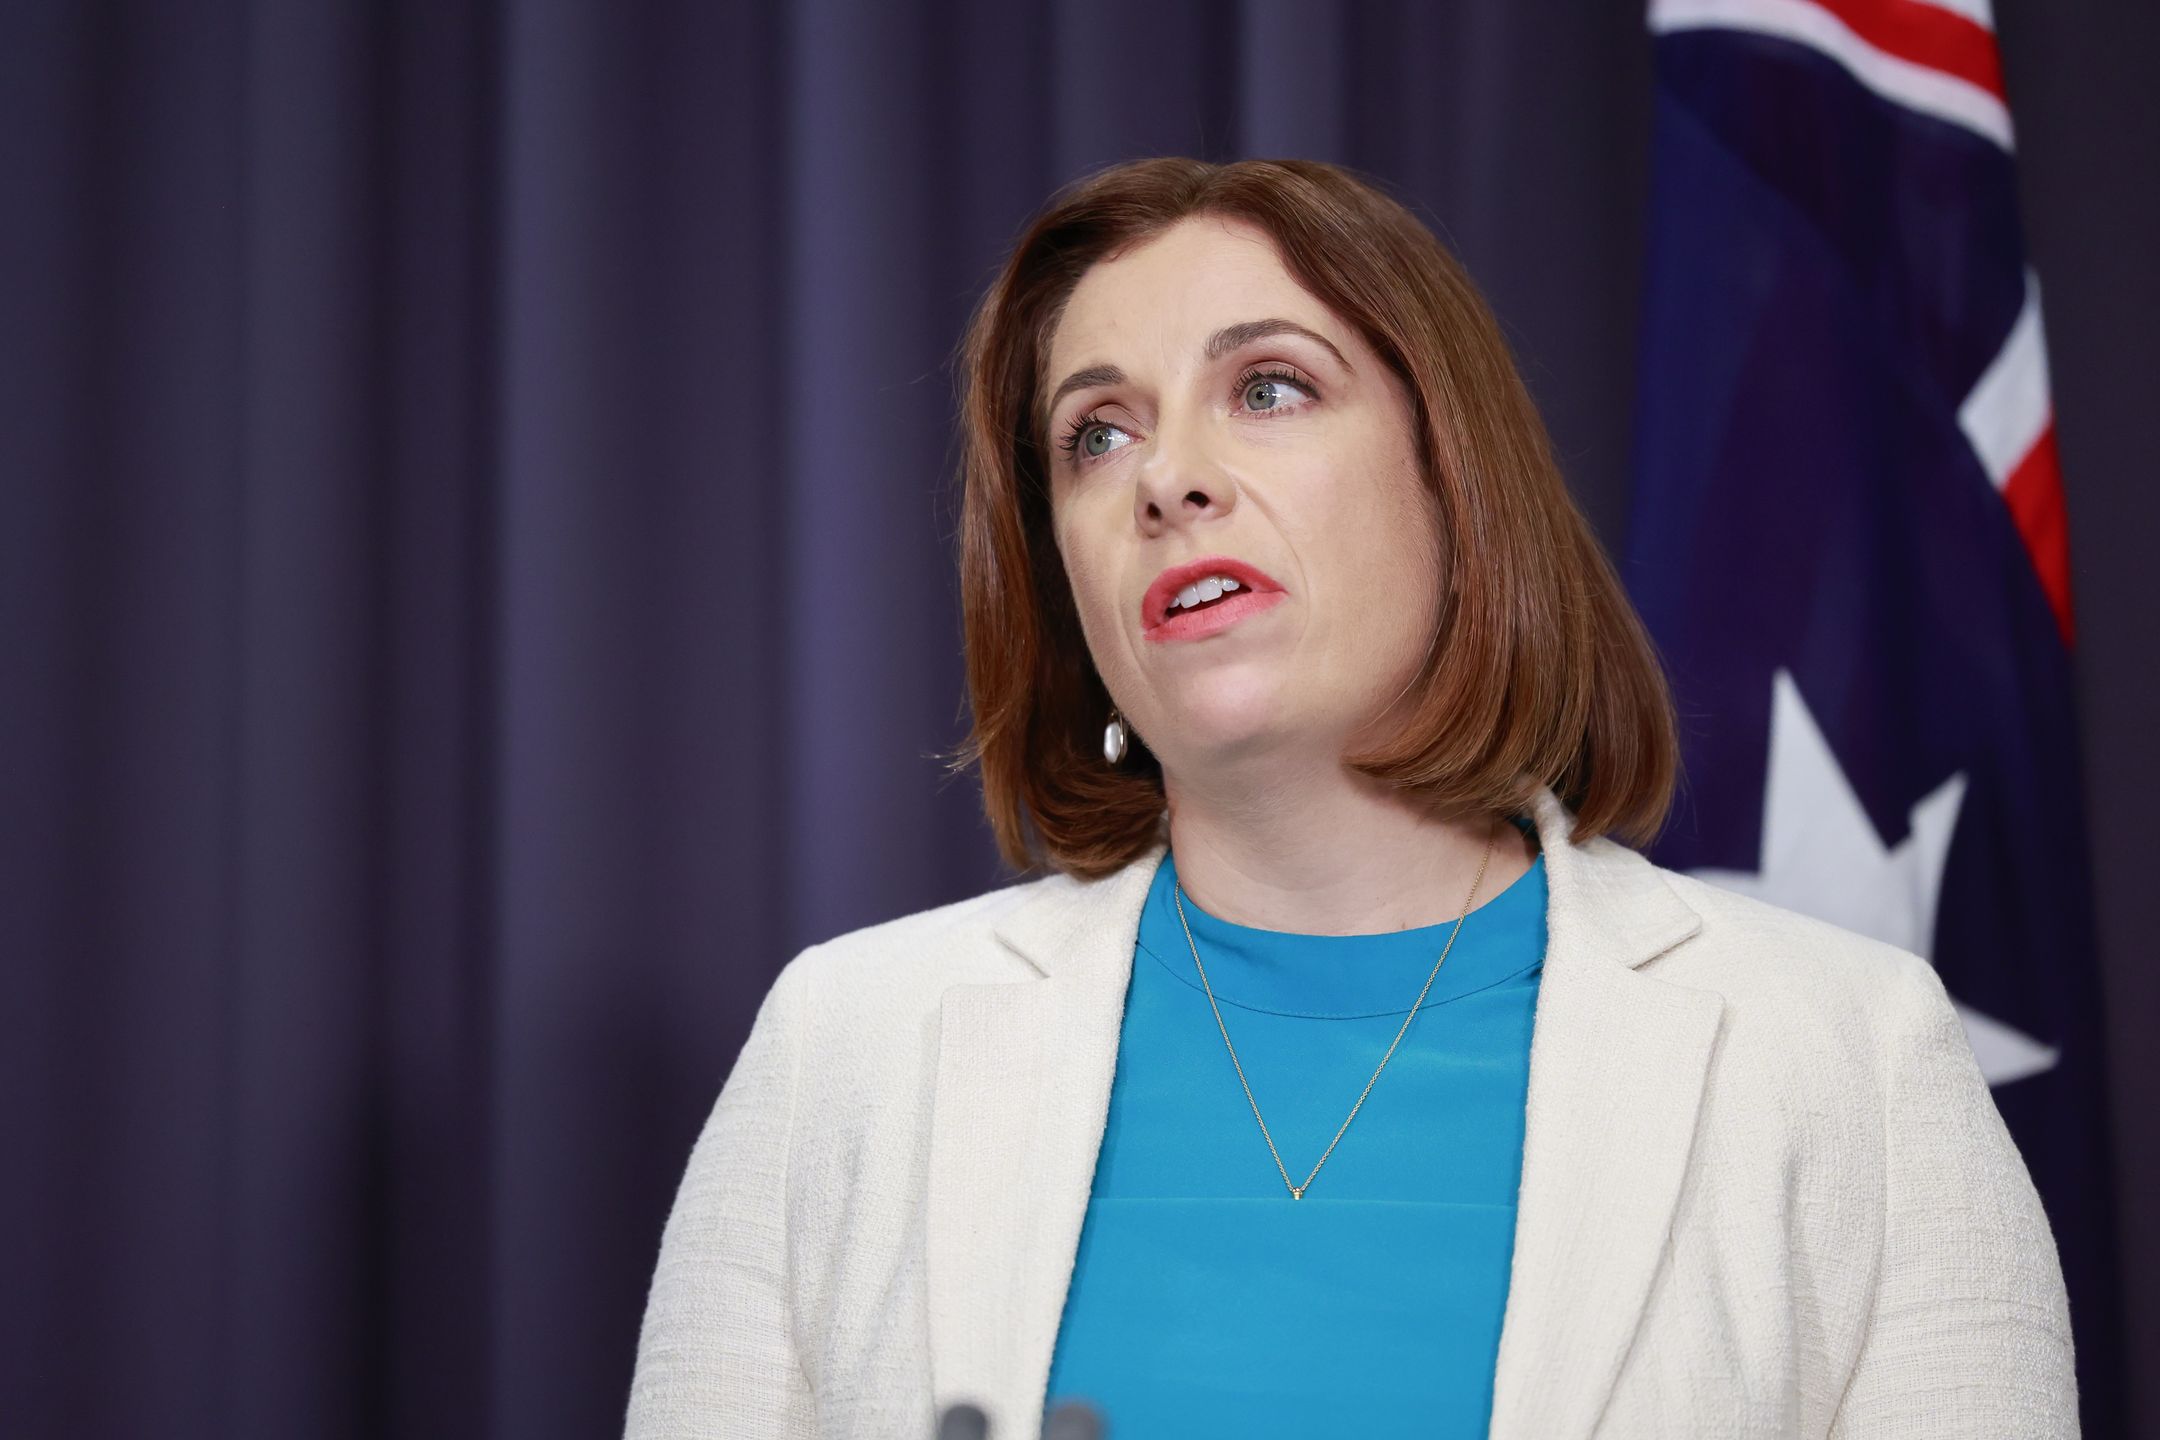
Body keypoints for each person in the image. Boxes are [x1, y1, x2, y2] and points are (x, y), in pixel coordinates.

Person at [621, 157, 2077, 1440]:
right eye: (1097, 435)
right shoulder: (846, 1052)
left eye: (1268, 388)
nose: (1169, 479)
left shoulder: (1849, 1061)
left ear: (1457, 482)